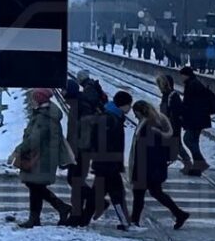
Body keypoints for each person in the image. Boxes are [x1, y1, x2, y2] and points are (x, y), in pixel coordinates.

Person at [10, 88, 73, 228]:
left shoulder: (44, 117)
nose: (32, 100)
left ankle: (56, 209)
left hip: (41, 158)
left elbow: (34, 139)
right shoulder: (45, 114)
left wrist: (18, 150)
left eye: (34, 98)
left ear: (39, 99)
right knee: (35, 187)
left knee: (35, 186)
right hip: (43, 157)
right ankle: (43, 215)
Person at [128, 100, 190, 229]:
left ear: (141, 112)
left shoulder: (149, 126)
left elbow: (148, 151)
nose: (135, 116)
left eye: (136, 113)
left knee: (140, 194)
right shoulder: (153, 122)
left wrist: (141, 170)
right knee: (155, 193)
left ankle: (134, 220)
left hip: (147, 168)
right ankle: (179, 214)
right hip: (153, 167)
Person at [88, 91, 133, 230]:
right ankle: (124, 221)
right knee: (116, 193)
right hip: (108, 164)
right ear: (123, 105)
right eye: (129, 105)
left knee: (98, 193)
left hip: (107, 163)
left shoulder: (113, 116)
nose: (130, 108)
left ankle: (82, 219)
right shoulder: (109, 118)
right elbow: (103, 144)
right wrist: (112, 163)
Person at [179, 65, 215, 174]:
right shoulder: (194, 83)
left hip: (196, 119)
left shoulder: (192, 85)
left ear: (186, 75)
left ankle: (200, 163)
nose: (181, 78)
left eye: (182, 75)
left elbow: (189, 104)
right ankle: (198, 165)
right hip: (199, 118)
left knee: (188, 139)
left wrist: (183, 114)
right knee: (192, 141)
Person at [156, 74, 192, 171]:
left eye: (160, 84)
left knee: (176, 144)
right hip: (168, 124)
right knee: (171, 144)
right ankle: (184, 163)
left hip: (173, 125)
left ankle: (187, 163)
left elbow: (177, 112)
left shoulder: (172, 96)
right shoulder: (166, 95)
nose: (159, 87)